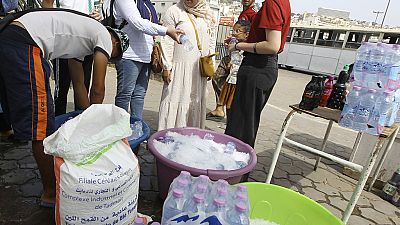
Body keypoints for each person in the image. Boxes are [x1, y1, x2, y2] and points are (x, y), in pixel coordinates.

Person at [0, 9, 128, 206]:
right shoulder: (103, 34)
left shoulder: (79, 45)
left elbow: (78, 85)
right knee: (41, 124)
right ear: (115, 43)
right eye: (113, 55)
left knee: (20, 109)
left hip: (9, 37)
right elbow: (97, 88)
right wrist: (97, 130)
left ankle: (10, 131)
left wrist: (85, 119)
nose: (108, 58)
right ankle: (51, 193)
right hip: (26, 41)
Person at [225, 0, 291, 148]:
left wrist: (238, 45)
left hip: (257, 67)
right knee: (245, 122)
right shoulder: (281, 3)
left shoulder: (272, 4)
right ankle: (237, 166)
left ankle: (235, 168)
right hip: (262, 67)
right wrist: (244, 40)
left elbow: (272, 45)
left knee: (241, 126)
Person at [102, 0, 183, 119]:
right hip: (129, 54)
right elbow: (137, 23)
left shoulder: (146, 2)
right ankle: (120, 131)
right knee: (125, 95)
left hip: (145, 54)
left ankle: (137, 127)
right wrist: (166, 31)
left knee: (139, 96)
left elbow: (148, 23)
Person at [157, 0, 216, 130]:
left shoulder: (209, 14)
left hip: (199, 69)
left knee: (194, 101)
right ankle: (170, 133)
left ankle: (191, 135)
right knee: (175, 97)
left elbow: (211, 39)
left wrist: (210, 64)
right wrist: (167, 66)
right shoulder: (174, 11)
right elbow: (166, 41)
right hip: (179, 67)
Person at [42, 0, 102, 116]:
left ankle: (80, 122)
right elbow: (47, 5)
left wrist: (99, 15)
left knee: (83, 84)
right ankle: (58, 123)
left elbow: (97, 9)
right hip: (65, 40)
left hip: (87, 38)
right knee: (62, 87)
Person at [208, 0, 256, 120]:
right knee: (217, 78)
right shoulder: (244, 13)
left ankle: (229, 114)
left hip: (239, 58)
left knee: (234, 94)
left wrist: (240, 45)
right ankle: (220, 107)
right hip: (233, 55)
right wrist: (233, 39)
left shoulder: (253, 14)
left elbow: (251, 37)